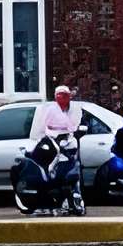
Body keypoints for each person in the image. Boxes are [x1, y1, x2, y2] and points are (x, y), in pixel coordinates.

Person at [30, 85, 87, 214]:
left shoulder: (76, 110)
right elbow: (40, 127)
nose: (62, 98)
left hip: (69, 147)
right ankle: (49, 201)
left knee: (72, 174)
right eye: (59, 95)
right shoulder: (49, 110)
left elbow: (80, 126)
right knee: (47, 173)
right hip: (51, 146)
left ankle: (75, 200)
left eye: (64, 95)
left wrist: (75, 134)